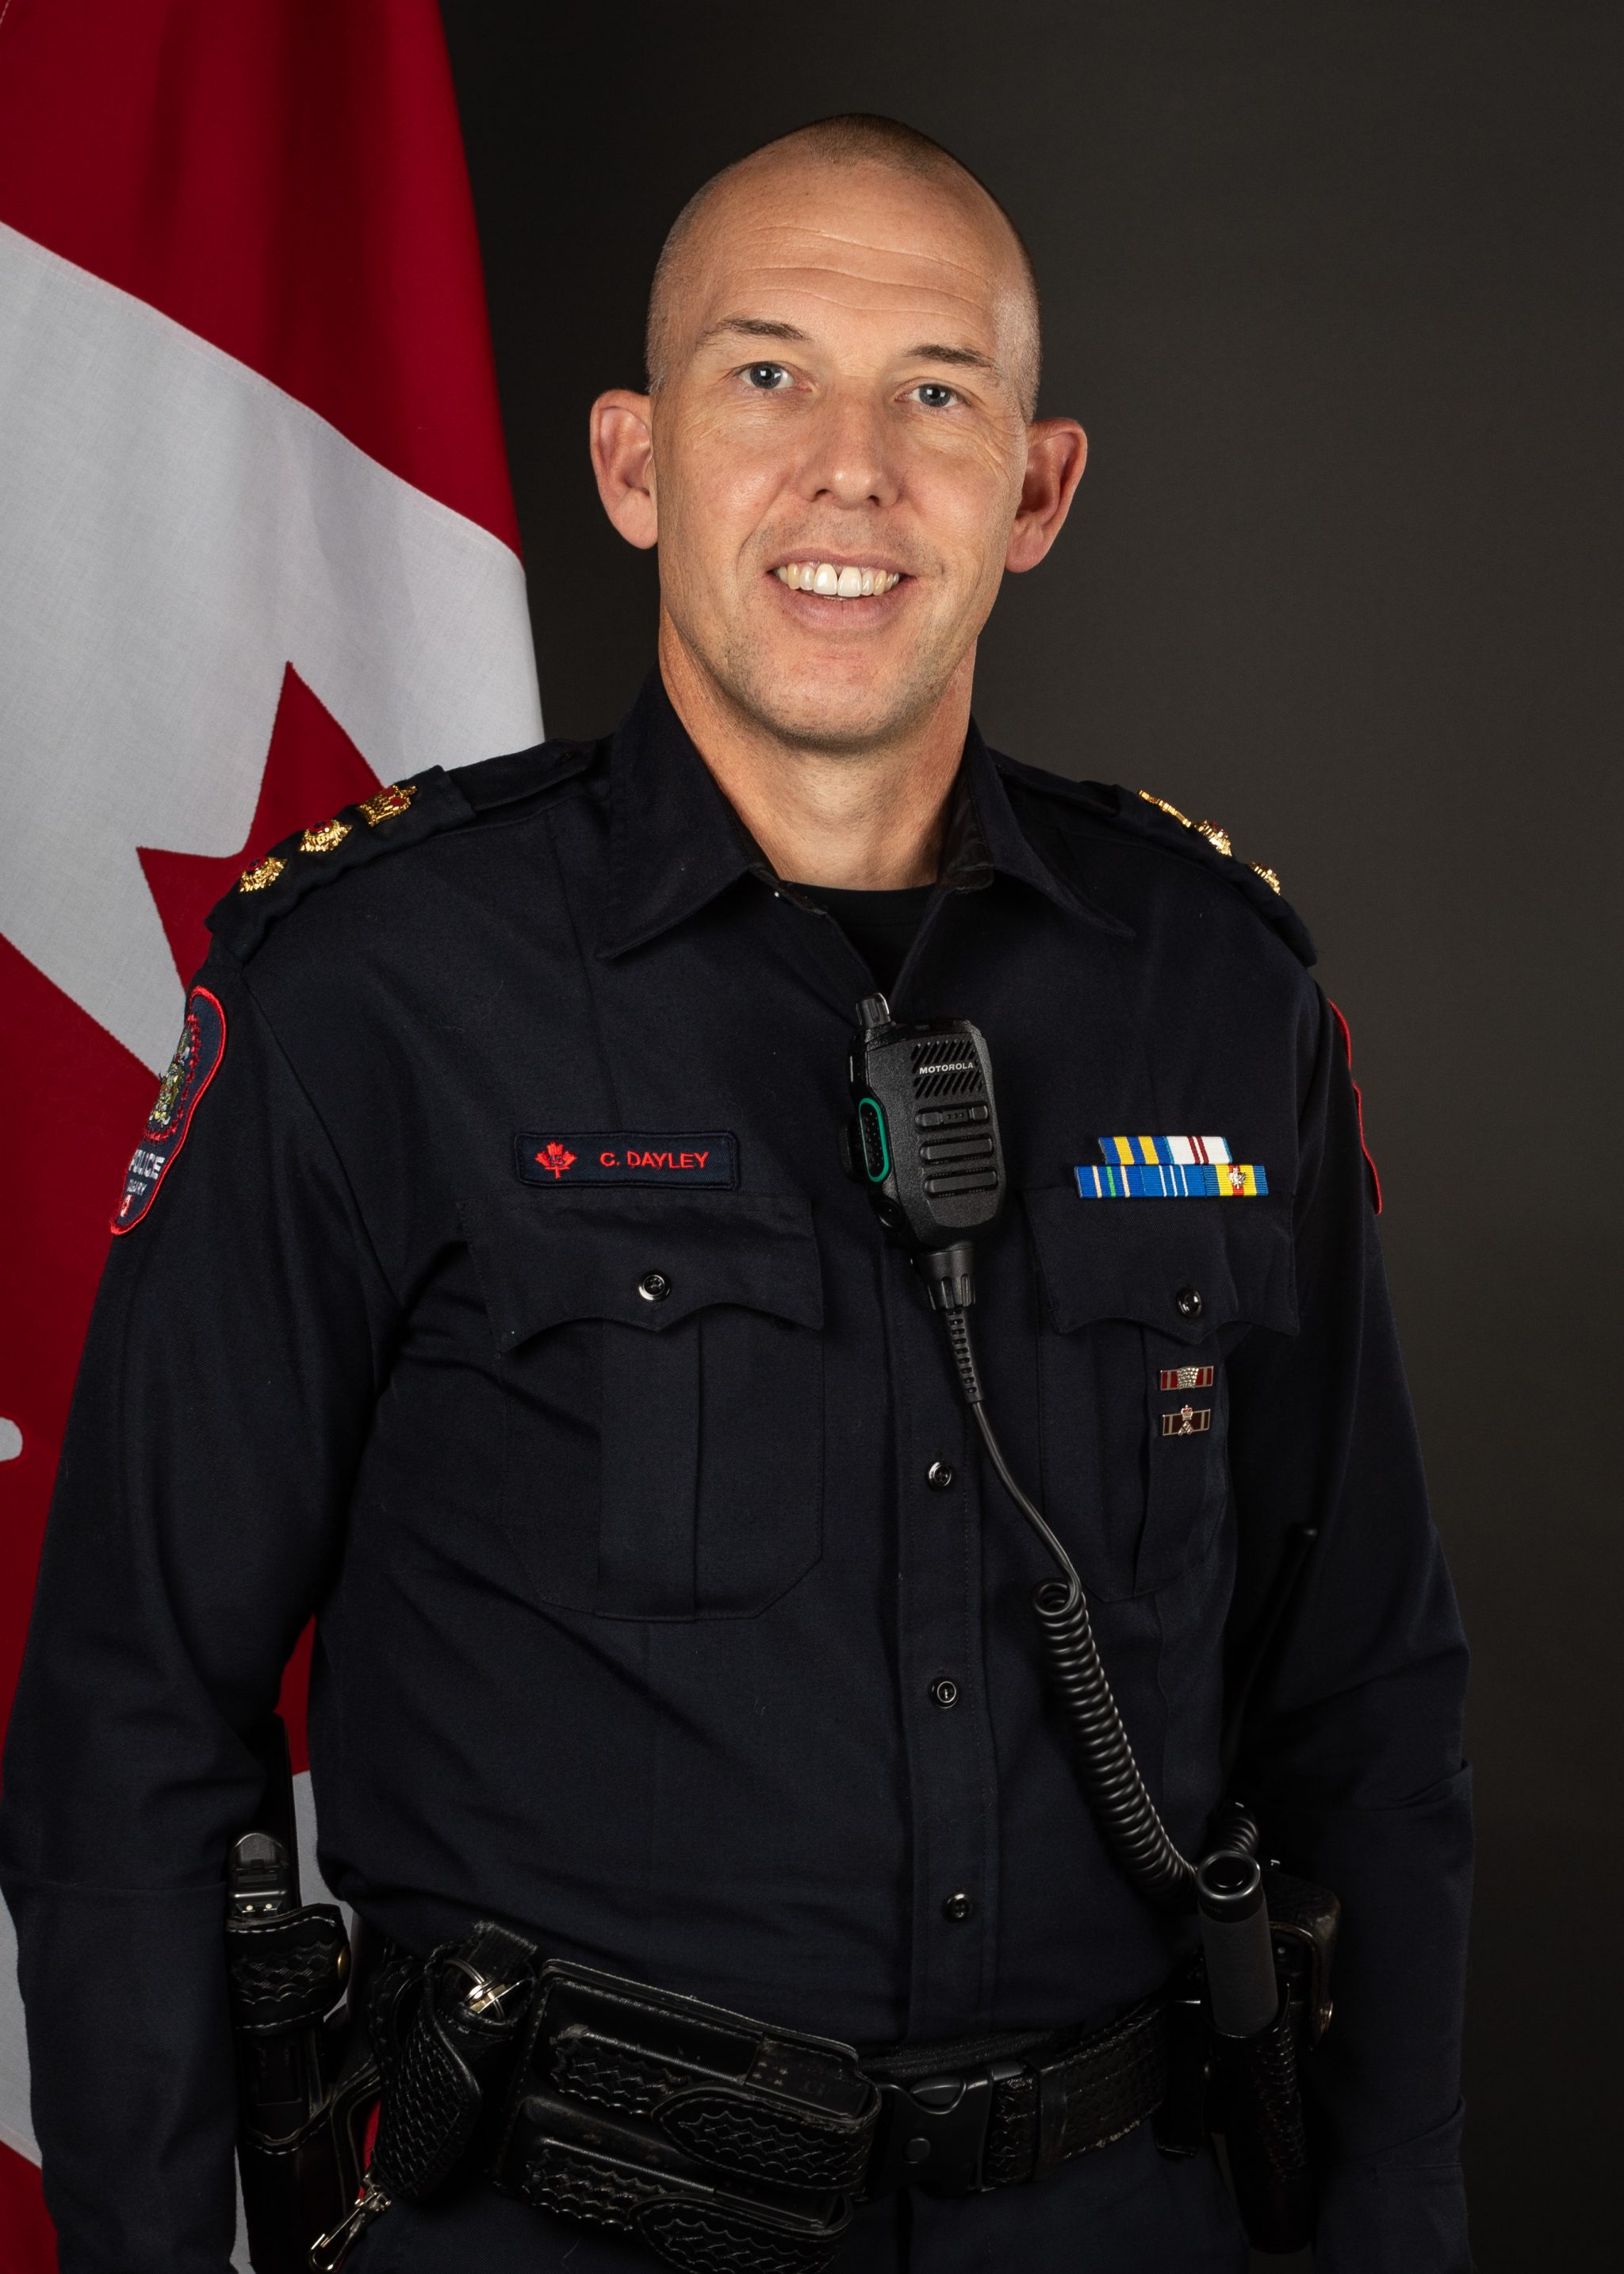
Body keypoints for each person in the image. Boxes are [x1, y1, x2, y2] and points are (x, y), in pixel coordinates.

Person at [0, 114, 1471, 2274]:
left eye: (936, 393)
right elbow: (132, 1716)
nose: (851, 471)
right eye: (765, 374)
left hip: (1123, 2211)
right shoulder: (376, 995)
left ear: (1037, 487)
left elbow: (1369, 1688)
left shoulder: (1215, 994)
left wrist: (1393, 2226)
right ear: (632, 461)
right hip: (556, 2220)